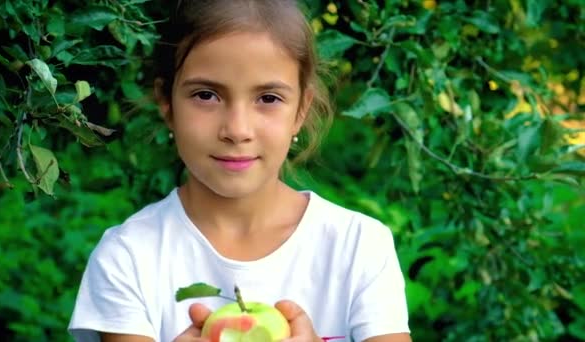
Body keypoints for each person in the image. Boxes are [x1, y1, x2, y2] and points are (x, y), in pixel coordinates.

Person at [68, 0, 411, 341]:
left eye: (268, 98)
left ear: (301, 111)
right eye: (206, 95)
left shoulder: (358, 248)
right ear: (167, 102)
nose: (237, 129)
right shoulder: (129, 257)